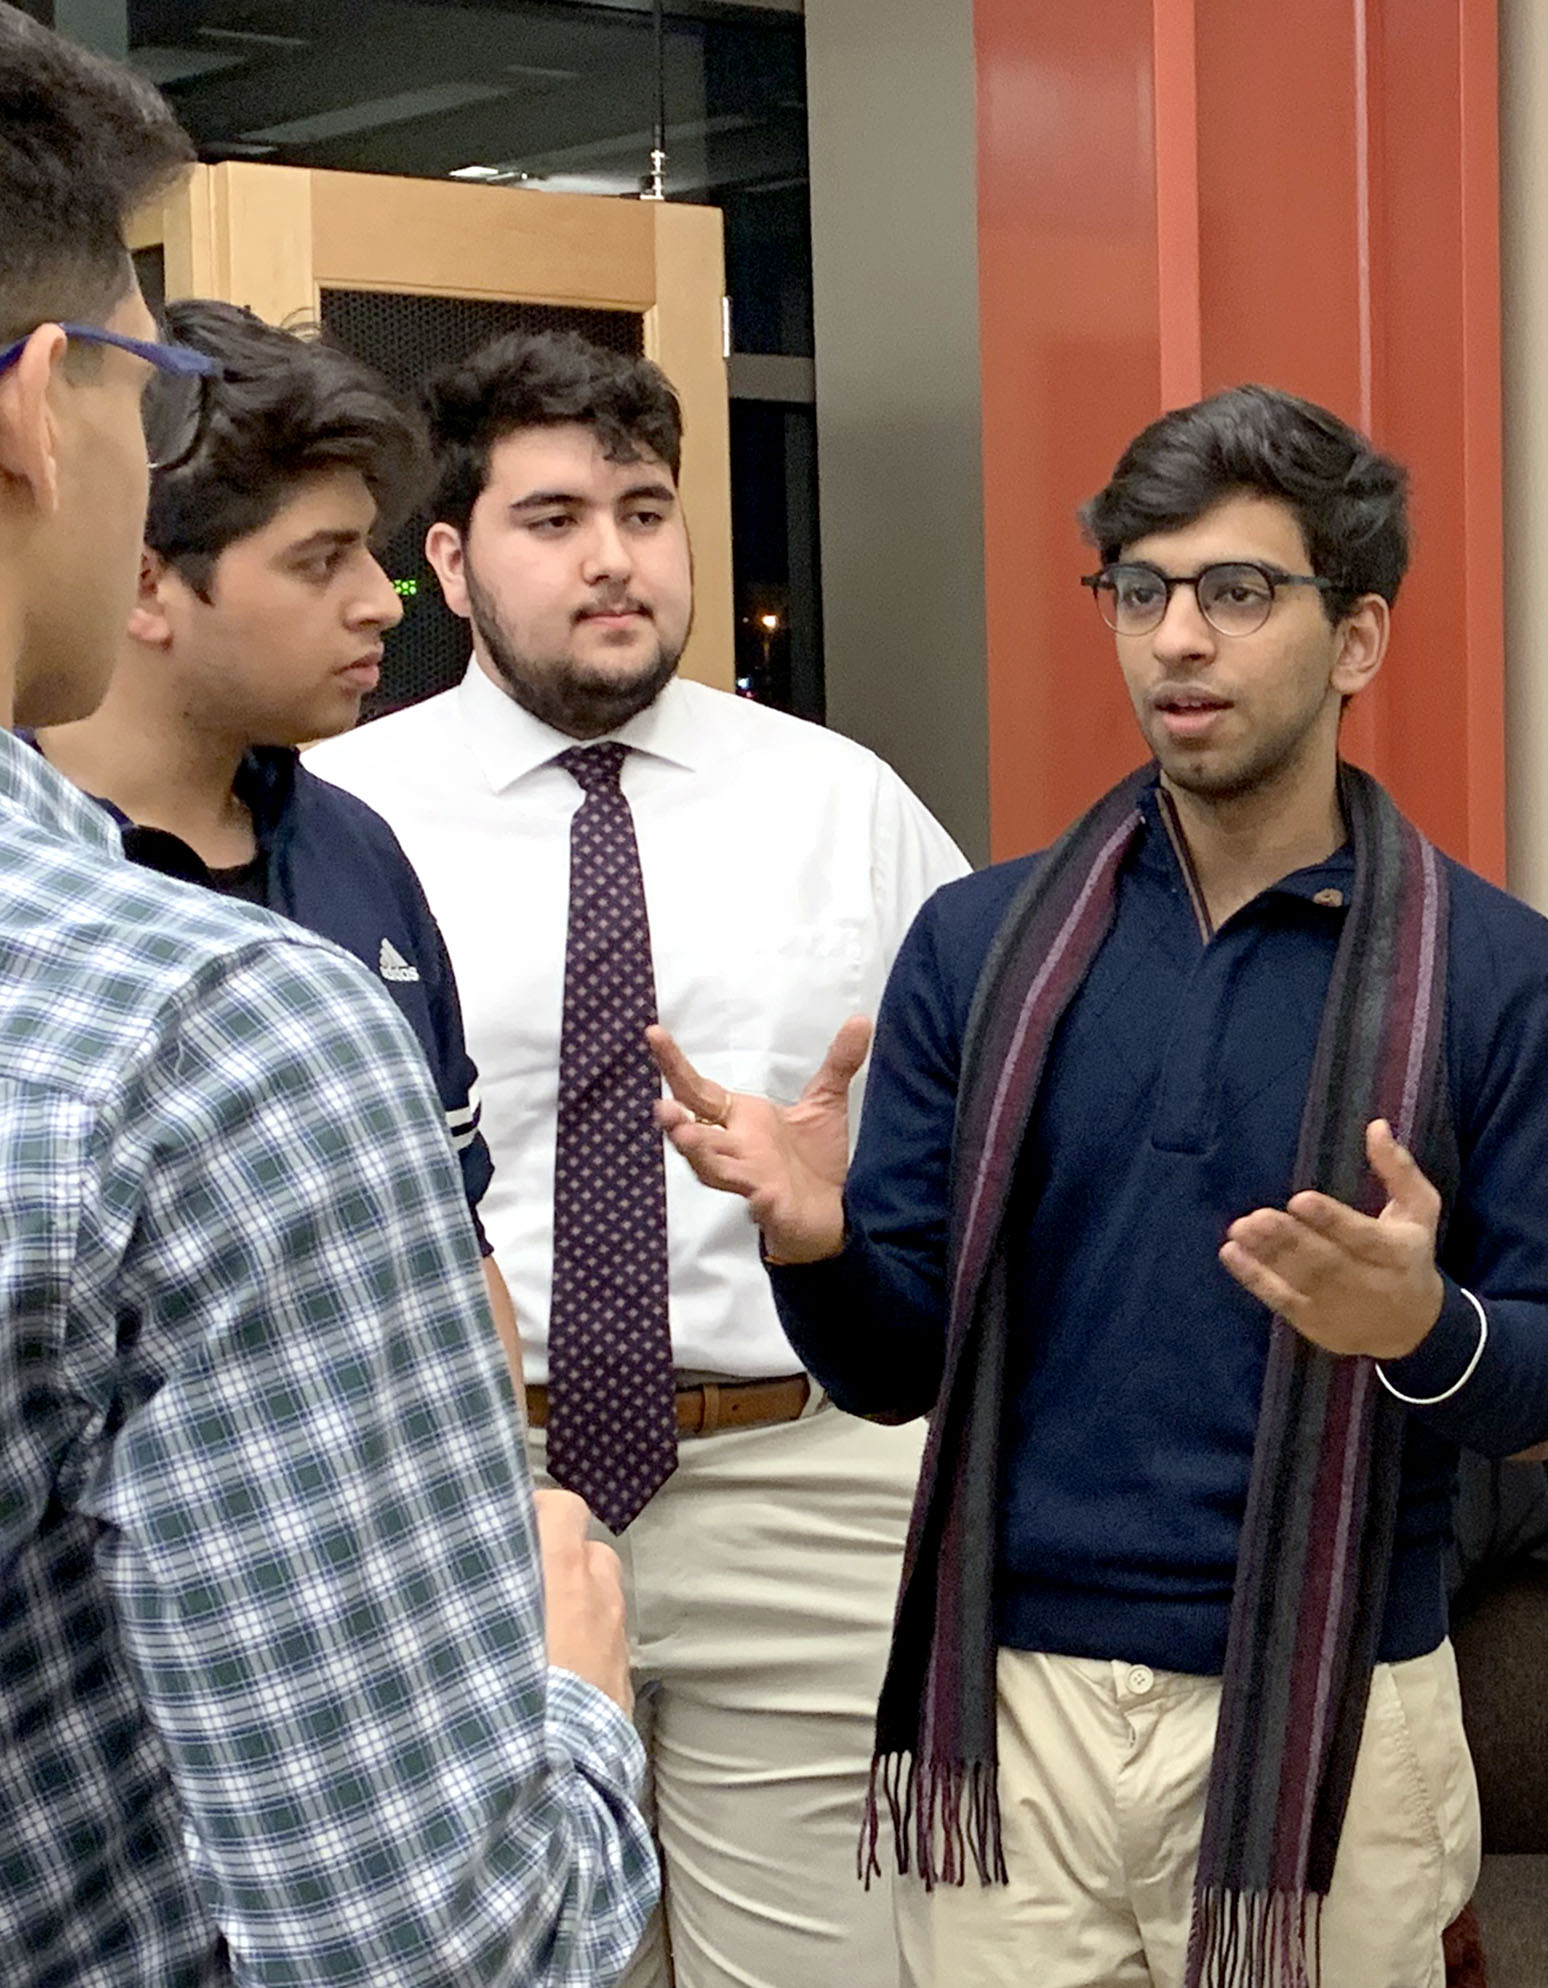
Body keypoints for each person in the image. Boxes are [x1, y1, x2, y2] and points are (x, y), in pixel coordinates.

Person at [649, 384, 1548, 1988]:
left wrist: (1423, 1327)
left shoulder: (1498, 980)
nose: (1178, 640)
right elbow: (894, 1372)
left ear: (1358, 637)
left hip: (1336, 1714)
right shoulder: (982, 948)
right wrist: (817, 1244)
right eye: (1140, 590)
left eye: (1238, 592)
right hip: (1010, 1704)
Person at [0, 14, 653, 1984]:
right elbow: (431, 1946)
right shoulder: (205, 1043)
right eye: (151, 380)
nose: (378, 602)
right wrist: (566, 1699)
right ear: (40, 410)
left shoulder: (346, 871)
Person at [307, 329, 973, 1988]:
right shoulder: (333, 817)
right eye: (551, 518)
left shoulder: (845, 802)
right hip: (468, 1492)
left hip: (800, 1478)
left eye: (646, 507)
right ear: (450, 560)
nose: (614, 556)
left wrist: (872, 1210)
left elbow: (980, 1144)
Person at [33, 296, 522, 1382]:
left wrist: (512, 1503)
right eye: (320, 560)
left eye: (372, 552)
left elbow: (453, 1243)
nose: (380, 604)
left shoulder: (358, 854)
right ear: (147, 582)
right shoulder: (34, 886)